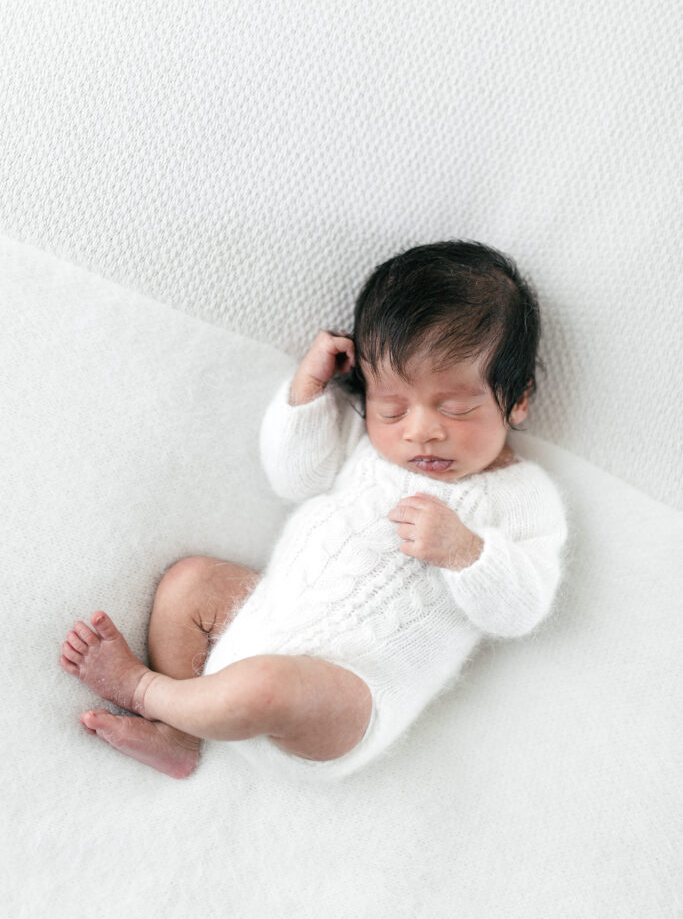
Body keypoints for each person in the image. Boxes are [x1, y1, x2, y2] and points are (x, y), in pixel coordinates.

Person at [59, 240, 567, 780]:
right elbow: (294, 476)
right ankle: (178, 736)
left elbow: (523, 609)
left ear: (518, 399)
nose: (420, 431)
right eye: (392, 407)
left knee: (267, 687)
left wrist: (467, 553)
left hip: (346, 696)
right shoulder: (365, 439)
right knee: (189, 582)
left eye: (455, 407)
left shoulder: (523, 495)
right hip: (259, 627)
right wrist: (308, 391)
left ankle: (145, 690)